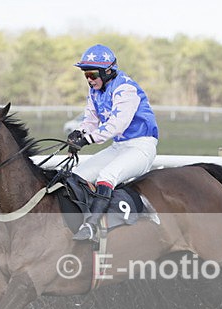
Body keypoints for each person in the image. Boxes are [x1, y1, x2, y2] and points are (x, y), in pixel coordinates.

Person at [65, 44, 159, 241]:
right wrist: (78, 133)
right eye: (86, 75)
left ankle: (91, 227)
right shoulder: (95, 91)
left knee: (106, 175)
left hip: (141, 146)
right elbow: (90, 121)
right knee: (76, 177)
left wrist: (87, 139)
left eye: (92, 74)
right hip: (119, 147)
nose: (89, 80)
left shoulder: (126, 89)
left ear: (108, 71)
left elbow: (117, 125)